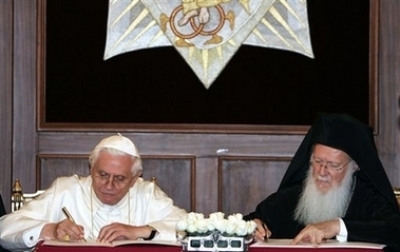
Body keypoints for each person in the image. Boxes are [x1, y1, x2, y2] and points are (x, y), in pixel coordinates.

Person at [0, 134, 187, 251]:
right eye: (102, 174)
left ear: (135, 178)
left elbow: (190, 229)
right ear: (91, 169)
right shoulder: (65, 190)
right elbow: (5, 228)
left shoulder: (147, 194)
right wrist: (50, 229)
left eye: (120, 178)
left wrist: (140, 231)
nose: (109, 185)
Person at [244, 113, 400, 251]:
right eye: (317, 161)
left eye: (333, 165)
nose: (322, 171)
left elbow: (395, 229)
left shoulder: (369, 200)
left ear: (355, 166)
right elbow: (248, 221)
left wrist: (336, 226)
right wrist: (252, 227)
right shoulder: (290, 197)